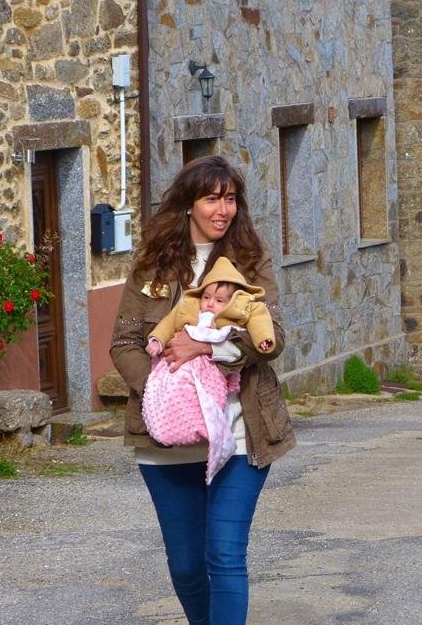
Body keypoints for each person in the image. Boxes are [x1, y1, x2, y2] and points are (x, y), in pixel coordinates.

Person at [110, 155, 295, 625]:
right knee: (187, 566)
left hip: (238, 432)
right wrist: (163, 389)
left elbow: (273, 337)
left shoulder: (251, 263)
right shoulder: (152, 265)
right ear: (188, 204)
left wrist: (206, 350)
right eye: (212, 198)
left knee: (225, 556)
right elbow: (126, 342)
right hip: (166, 437)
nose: (223, 209)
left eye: (231, 199)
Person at [141, 257, 278, 482]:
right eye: (206, 297)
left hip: (216, 370)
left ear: (233, 301)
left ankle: (216, 425)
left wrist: (264, 339)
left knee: (217, 396)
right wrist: (156, 339)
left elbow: (260, 320)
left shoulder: (244, 310)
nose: (210, 303)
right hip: (181, 368)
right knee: (177, 388)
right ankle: (177, 419)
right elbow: (169, 322)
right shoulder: (189, 308)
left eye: (219, 300)